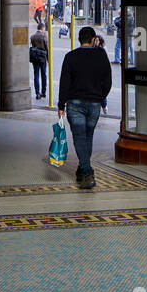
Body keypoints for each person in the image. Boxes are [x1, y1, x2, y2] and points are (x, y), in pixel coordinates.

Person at [57, 25, 111, 189]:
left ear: (79, 39)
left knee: (80, 138)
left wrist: (61, 105)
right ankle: (83, 170)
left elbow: (64, 83)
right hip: (94, 103)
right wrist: (100, 97)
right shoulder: (101, 55)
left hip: (75, 104)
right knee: (88, 137)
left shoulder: (70, 57)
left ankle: (87, 173)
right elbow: (108, 81)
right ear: (94, 39)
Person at [29, 23, 48, 101]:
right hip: (43, 57)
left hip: (35, 57)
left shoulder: (32, 36)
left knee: (36, 74)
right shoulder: (44, 36)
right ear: (42, 28)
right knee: (43, 75)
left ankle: (37, 93)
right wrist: (48, 58)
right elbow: (47, 47)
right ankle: (43, 92)